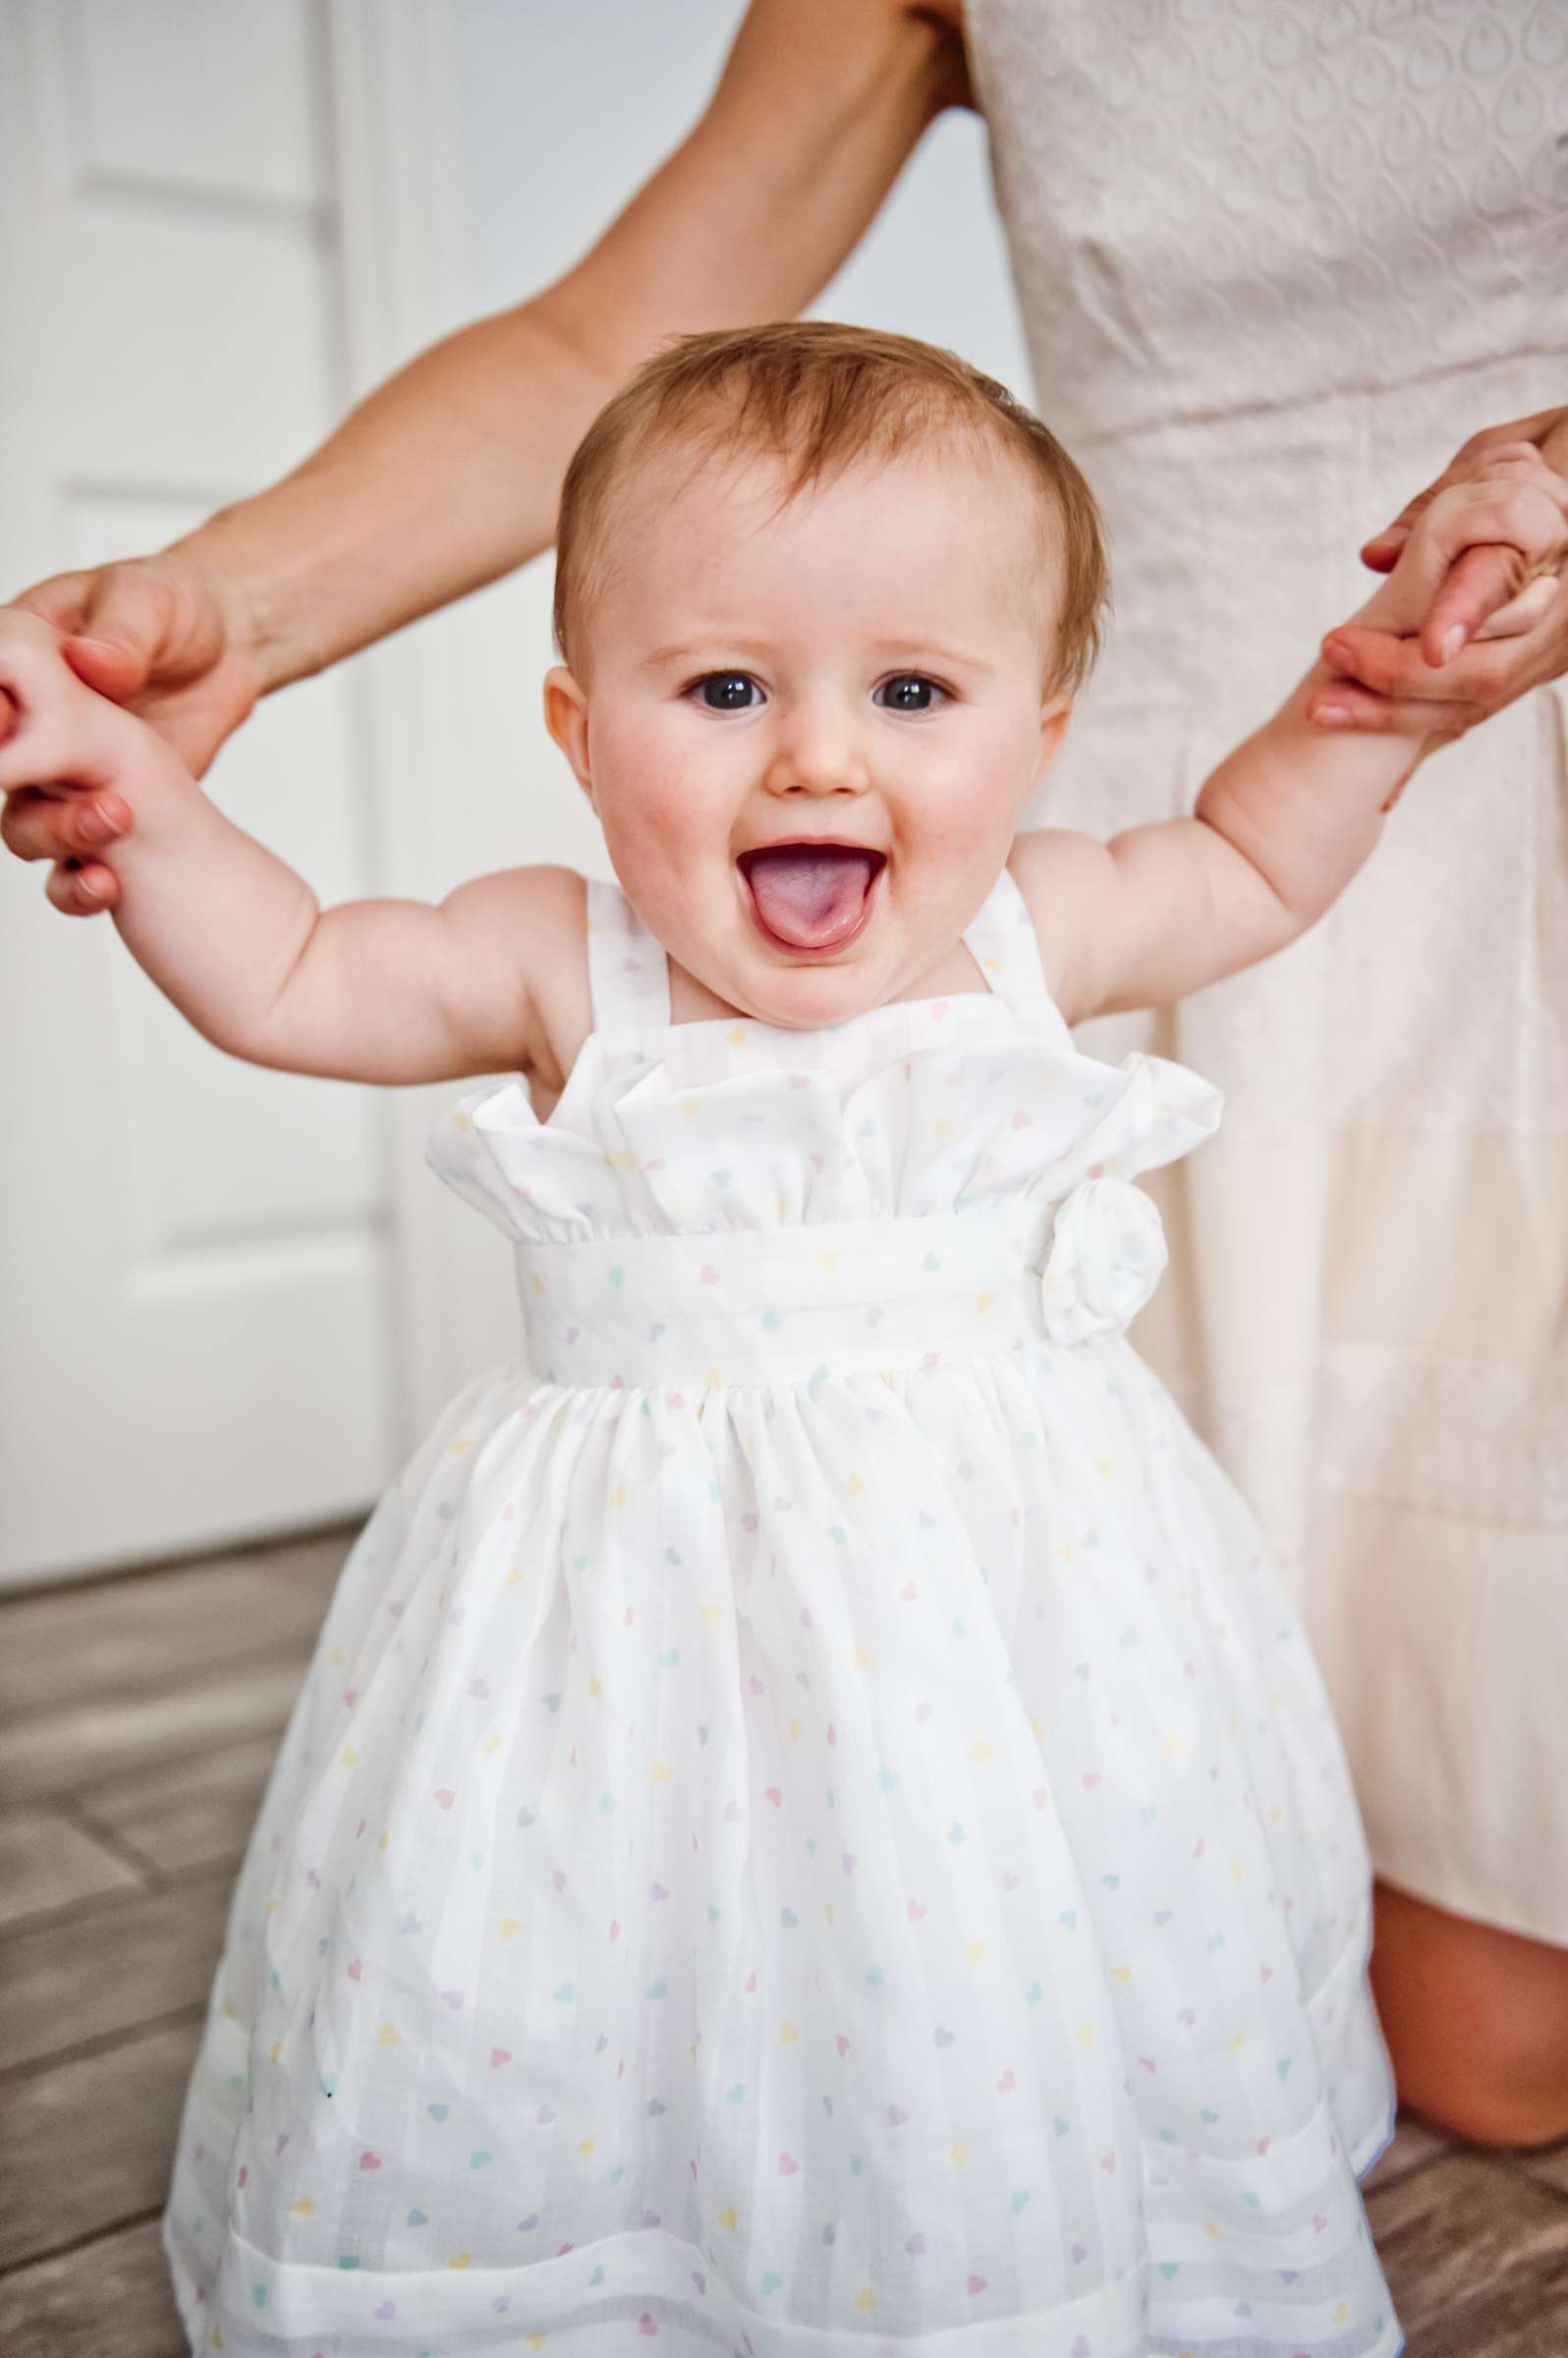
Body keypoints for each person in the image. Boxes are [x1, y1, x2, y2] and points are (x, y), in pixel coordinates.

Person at [6, 2, 1568, 2150]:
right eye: (724, 684)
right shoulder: (571, 964)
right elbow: (289, 974)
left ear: (1037, 731)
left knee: (1003, 1910)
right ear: (577, 731)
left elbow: (1246, 856)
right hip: (633, 1644)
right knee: (658, 1939)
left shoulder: (1046, 918)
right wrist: (141, 810)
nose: (818, 752)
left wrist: (1370, 720)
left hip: (1008, 1605)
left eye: (913, 689)